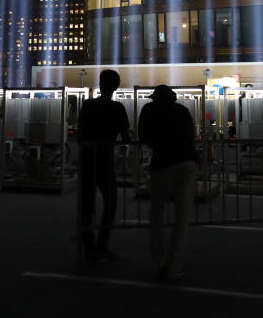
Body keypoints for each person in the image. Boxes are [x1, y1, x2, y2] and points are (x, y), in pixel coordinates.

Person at [138, 84, 197, 281]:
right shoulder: (183, 110)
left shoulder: (149, 110)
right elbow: (191, 136)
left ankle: (160, 260)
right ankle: (175, 265)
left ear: (155, 98)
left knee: (156, 212)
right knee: (182, 215)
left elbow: (144, 137)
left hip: (162, 164)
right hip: (187, 163)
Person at [77, 69, 130, 262]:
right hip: (105, 162)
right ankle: (101, 245)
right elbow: (125, 137)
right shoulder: (118, 108)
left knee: (87, 205)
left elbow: (80, 133)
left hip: (87, 159)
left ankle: (88, 245)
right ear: (116, 86)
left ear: (100, 84)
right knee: (111, 202)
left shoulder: (88, 105)